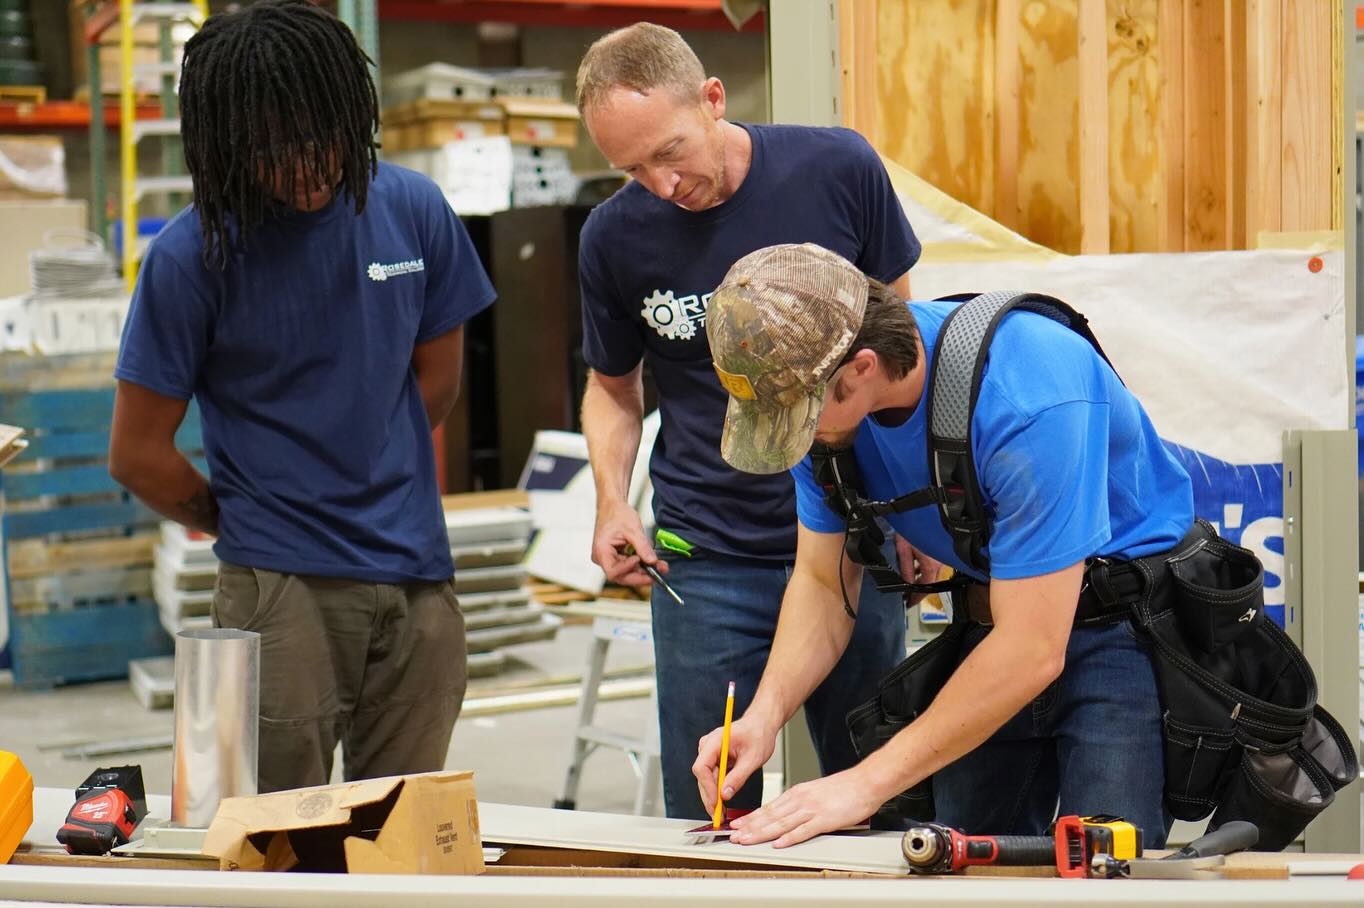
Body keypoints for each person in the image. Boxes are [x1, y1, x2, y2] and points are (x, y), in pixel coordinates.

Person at [107, 0, 494, 793]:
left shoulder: (413, 209)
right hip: (279, 589)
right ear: (226, 146)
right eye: (272, 150)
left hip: (418, 576)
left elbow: (437, 382)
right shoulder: (191, 257)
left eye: (321, 138)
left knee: (397, 824)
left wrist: (370, 458)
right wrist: (249, 519)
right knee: (272, 829)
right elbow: (137, 453)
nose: (306, 166)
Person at [693, 243, 1193, 847]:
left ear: (861, 368)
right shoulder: (823, 415)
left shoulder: (1027, 393)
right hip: (994, 622)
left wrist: (863, 784)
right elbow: (823, 584)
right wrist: (764, 715)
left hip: (1117, 628)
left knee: (1102, 863)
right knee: (950, 859)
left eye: (796, 415)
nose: (792, 434)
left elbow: (1033, 649)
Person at [574, 23, 932, 819]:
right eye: (632, 169)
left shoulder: (838, 169)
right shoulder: (613, 237)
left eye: (669, 152)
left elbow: (899, 350)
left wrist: (912, 503)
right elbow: (612, 388)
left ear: (712, 99)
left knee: (878, 803)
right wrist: (612, 500)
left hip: (851, 536)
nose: (661, 184)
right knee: (711, 807)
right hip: (707, 556)